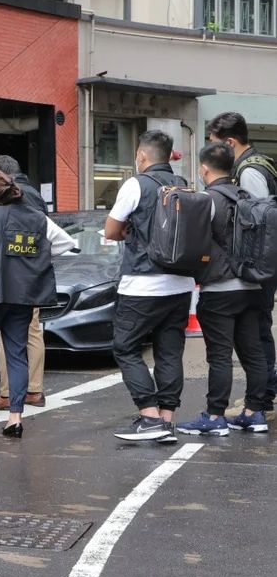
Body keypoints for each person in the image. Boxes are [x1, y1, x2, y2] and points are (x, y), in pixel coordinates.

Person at [0, 170, 77, 439]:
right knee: (16, 354)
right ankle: (15, 419)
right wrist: (38, 256)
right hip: (24, 296)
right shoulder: (37, 218)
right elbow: (68, 242)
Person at [104, 130, 199, 442]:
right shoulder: (184, 186)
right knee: (169, 351)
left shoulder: (136, 184)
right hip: (181, 284)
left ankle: (148, 416)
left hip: (142, 284)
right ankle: (166, 420)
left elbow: (111, 229)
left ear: (141, 156)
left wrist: (130, 235)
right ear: (169, 156)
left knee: (125, 346)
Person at [177, 143, 269, 435]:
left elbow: (192, 241)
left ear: (204, 168)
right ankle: (255, 412)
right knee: (253, 353)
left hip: (219, 289)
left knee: (219, 355)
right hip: (253, 285)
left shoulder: (208, 199)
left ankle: (215, 416)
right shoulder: (247, 196)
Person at [206, 112, 277, 418]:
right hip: (263, 266)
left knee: (259, 333)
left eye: (215, 145)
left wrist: (248, 268)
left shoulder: (248, 172)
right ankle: (259, 399)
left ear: (230, 142)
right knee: (259, 331)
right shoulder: (261, 162)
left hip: (257, 267)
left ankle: (262, 401)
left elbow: (259, 225)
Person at [0, 155, 47, 410]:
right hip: (34, 271)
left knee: (5, 334)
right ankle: (35, 391)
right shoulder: (36, 195)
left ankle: (8, 394)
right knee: (33, 330)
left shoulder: (7, 195)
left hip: (8, 273)